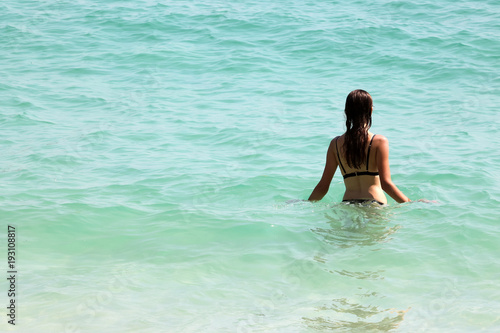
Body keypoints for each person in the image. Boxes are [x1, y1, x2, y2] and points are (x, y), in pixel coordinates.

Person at [308, 89, 410, 205]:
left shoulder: (335, 144)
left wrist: (305, 203)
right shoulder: (379, 141)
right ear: (370, 110)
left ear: (347, 112)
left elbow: (322, 187)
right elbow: (386, 184)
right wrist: (410, 202)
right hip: (374, 203)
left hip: (347, 204)